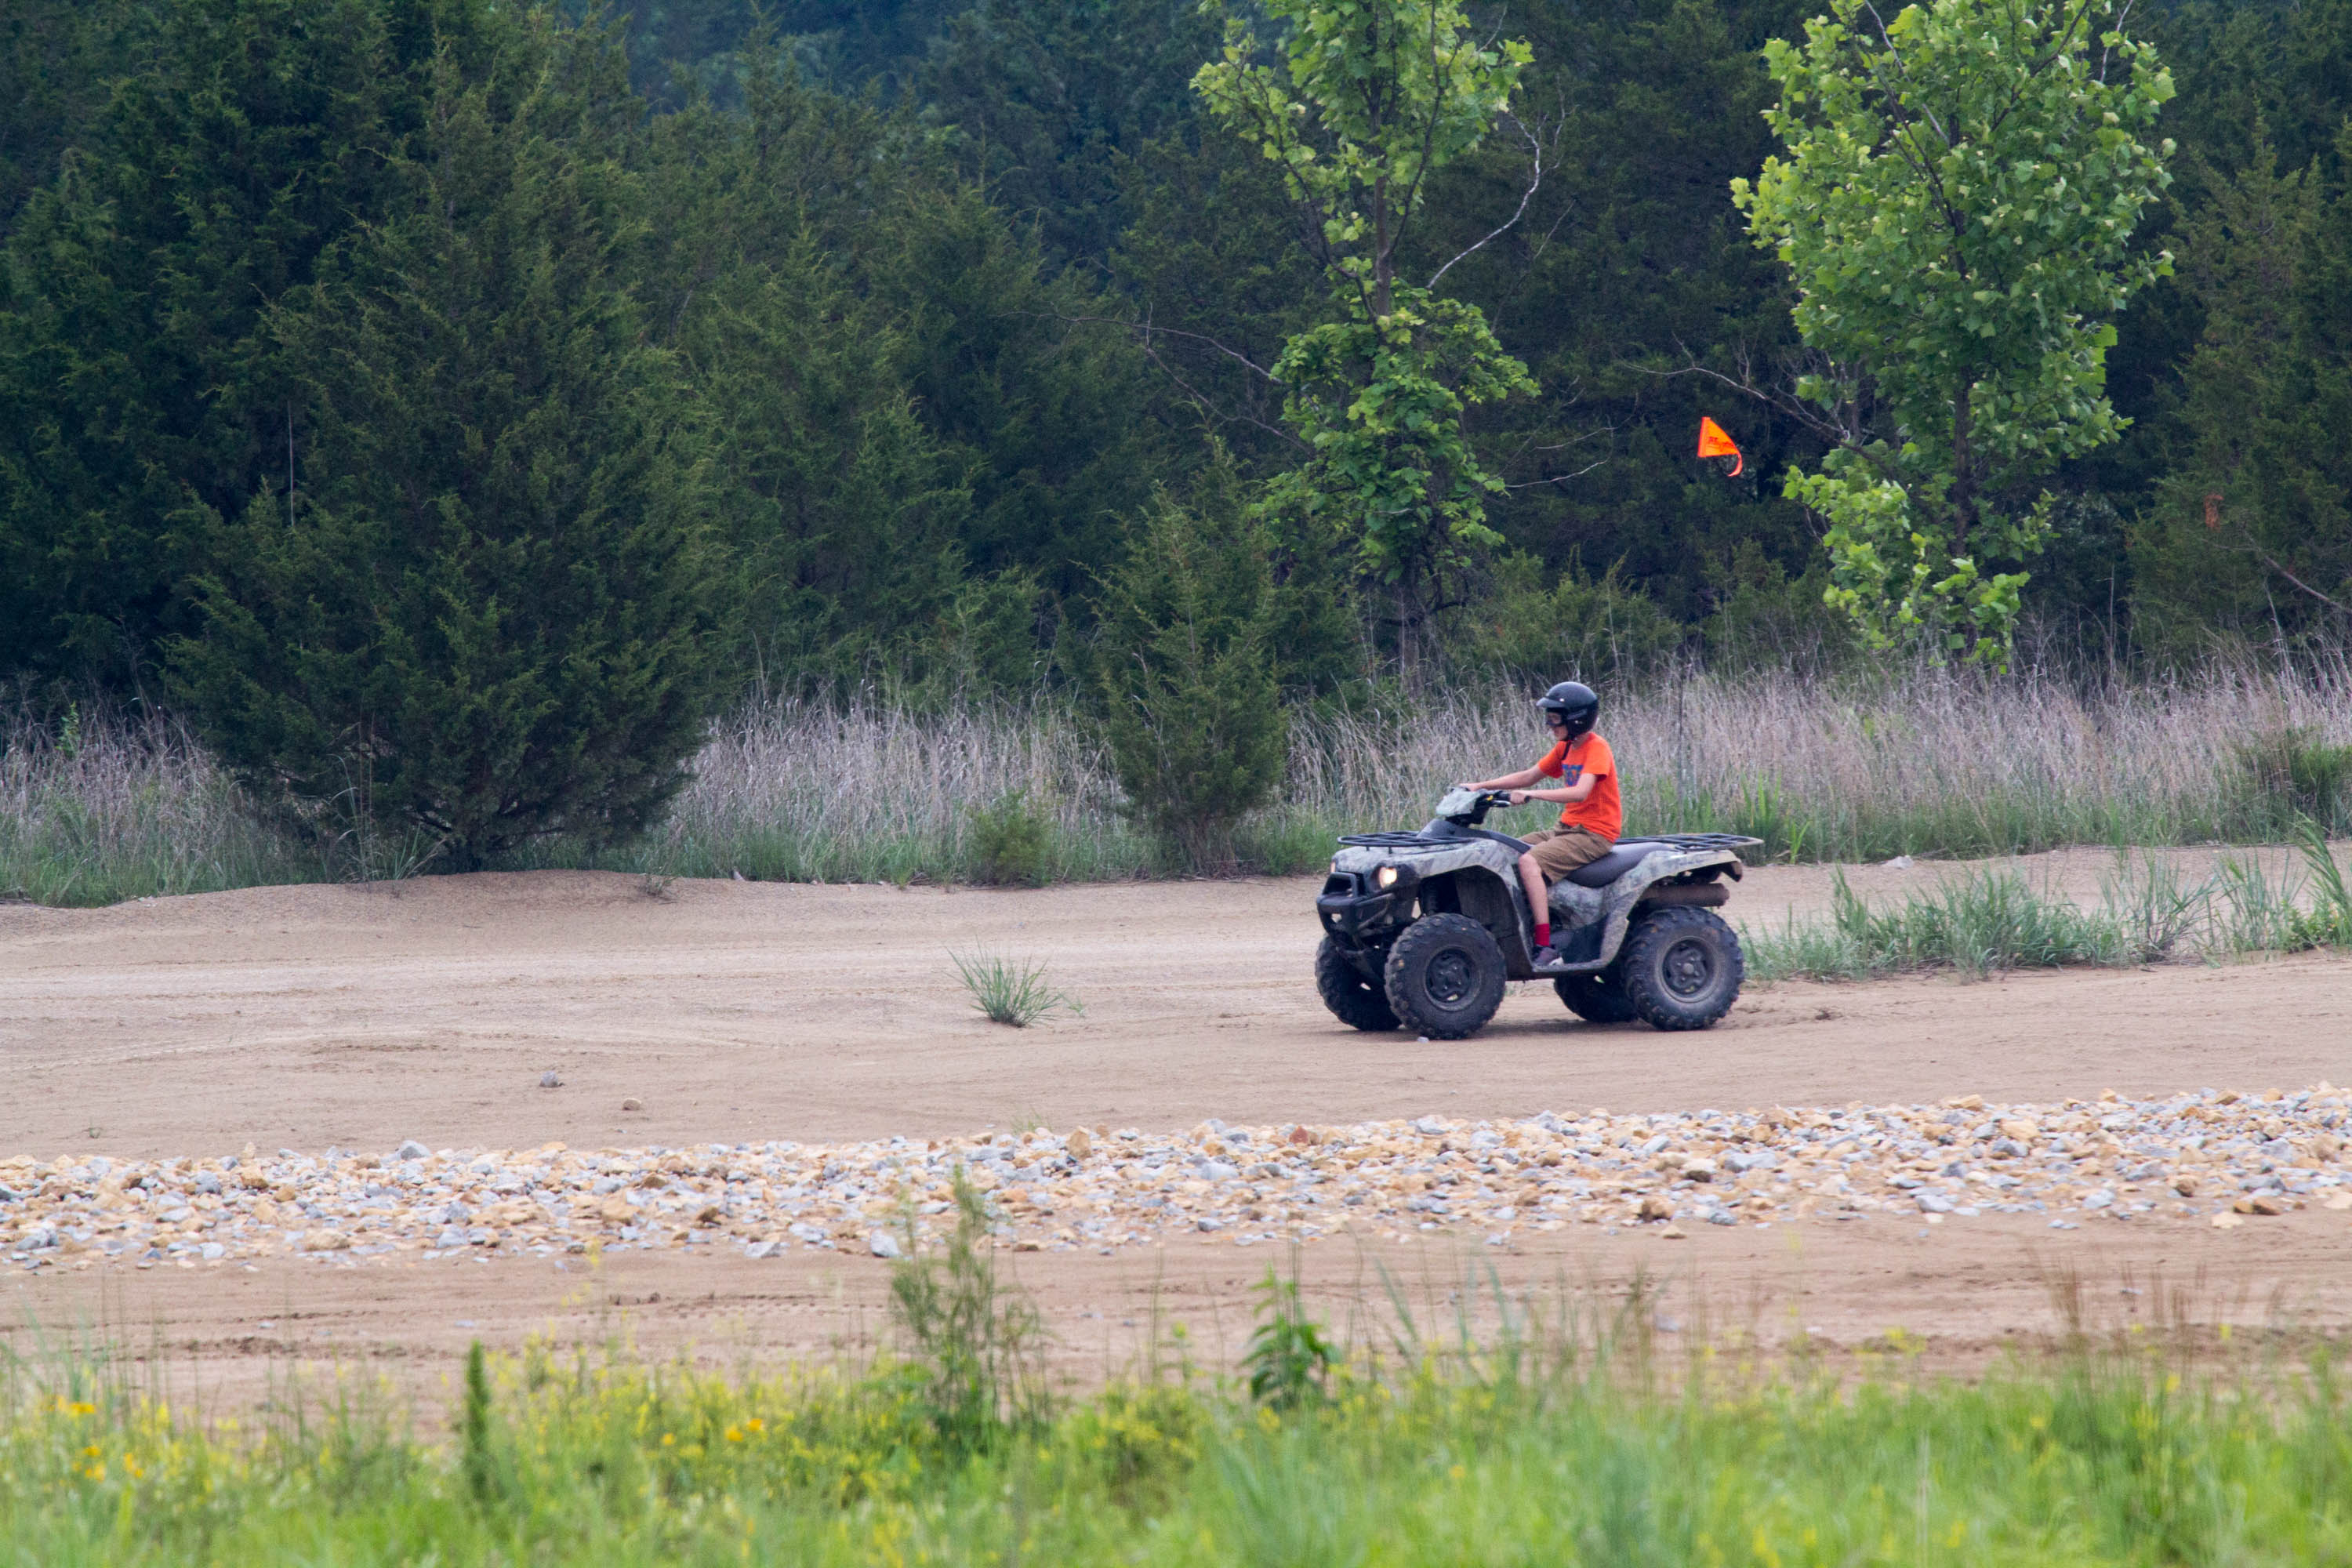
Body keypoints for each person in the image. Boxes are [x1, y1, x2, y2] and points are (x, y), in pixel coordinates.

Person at [1456, 680, 1621, 966]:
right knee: (1508, 851)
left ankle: (1545, 945)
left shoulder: (1597, 749)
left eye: (1555, 718)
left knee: (1530, 862)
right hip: (1568, 829)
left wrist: (1532, 795)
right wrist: (1479, 786)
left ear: (1577, 719)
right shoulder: (1567, 747)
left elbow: (1579, 791)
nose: (1550, 724)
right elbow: (1528, 776)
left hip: (1594, 834)